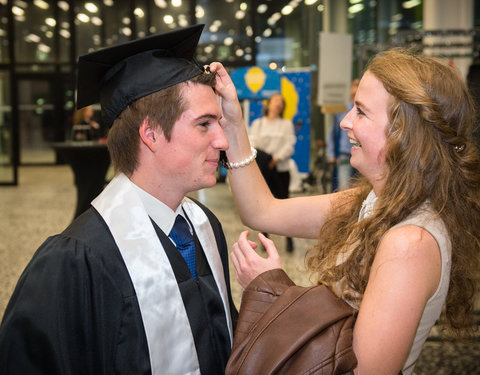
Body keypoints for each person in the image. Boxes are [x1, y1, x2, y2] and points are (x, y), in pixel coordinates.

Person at [211, 48, 480, 375]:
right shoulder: (372, 203)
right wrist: (234, 123)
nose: (345, 121)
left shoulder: (410, 243)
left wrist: (270, 288)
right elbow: (262, 211)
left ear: (403, 134)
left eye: (362, 112)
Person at [0, 25, 237, 375]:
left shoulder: (204, 227)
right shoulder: (74, 262)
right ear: (151, 134)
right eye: (205, 123)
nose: (222, 140)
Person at [248, 93, 296, 252]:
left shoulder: (286, 124)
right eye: (276, 100)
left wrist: (276, 159)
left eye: (281, 102)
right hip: (263, 170)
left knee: (285, 204)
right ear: (268, 104)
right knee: (263, 204)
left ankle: (289, 239)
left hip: (280, 169)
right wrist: (265, 158)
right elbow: (252, 143)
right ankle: (264, 239)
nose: (278, 104)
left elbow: (290, 144)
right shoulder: (258, 123)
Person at [327, 78, 359, 191]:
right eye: (355, 85)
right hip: (344, 154)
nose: (357, 88)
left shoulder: (366, 110)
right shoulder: (342, 109)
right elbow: (333, 132)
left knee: (359, 189)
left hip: (362, 154)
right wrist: (331, 154)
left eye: (359, 85)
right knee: (344, 188)